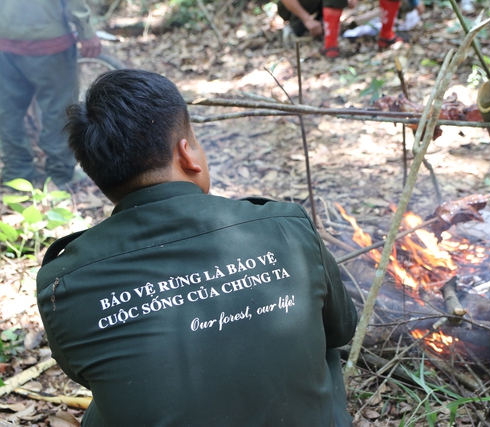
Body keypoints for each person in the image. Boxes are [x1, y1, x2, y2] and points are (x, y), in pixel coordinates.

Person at [36, 69, 358, 426]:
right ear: (187, 153)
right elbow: (342, 329)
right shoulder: (284, 226)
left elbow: (89, 374)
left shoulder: (63, 281)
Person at [0, 0, 101, 187]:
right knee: (59, 110)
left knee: (8, 111)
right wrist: (86, 32)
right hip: (49, 43)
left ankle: (16, 173)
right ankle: (60, 175)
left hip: (5, 42)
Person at [278, 0, 406, 57]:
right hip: (295, 6)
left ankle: (387, 35)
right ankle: (330, 45)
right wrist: (307, 19)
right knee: (298, 28)